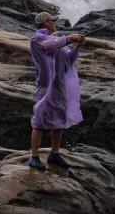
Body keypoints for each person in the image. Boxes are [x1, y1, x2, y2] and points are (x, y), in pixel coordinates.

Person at [28, 11, 85, 170]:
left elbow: (69, 60)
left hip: (59, 87)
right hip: (45, 86)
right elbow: (49, 46)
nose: (55, 23)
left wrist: (77, 45)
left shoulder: (57, 40)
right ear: (46, 22)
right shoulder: (37, 38)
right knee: (39, 122)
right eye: (53, 21)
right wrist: (69, 38)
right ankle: (34, 157)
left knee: (59, 121)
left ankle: (54, 154)